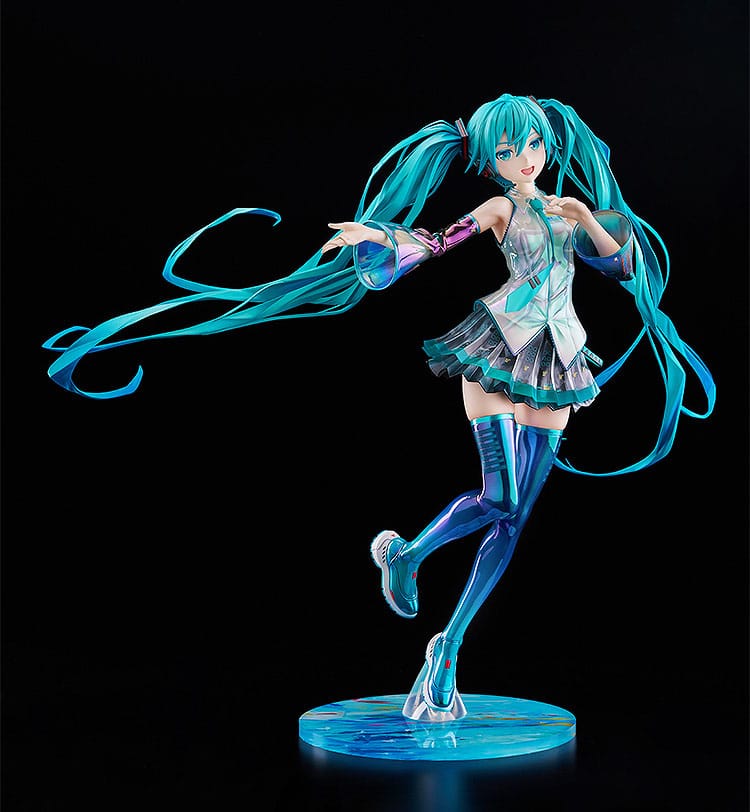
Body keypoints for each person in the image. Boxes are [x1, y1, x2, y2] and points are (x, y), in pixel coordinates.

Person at [43, 92, 715, 721]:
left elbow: (622, 269)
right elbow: (440, 241)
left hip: (559, 358)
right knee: (500, 497)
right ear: (490, 159)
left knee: (513, 523)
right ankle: (408, 555)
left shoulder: (568, 209)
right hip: (496, 348)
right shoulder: (498, 209)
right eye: (509, 151)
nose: (525, 159)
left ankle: (447, 649)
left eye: (532, 145)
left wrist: (587, 218)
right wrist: (382, 238)